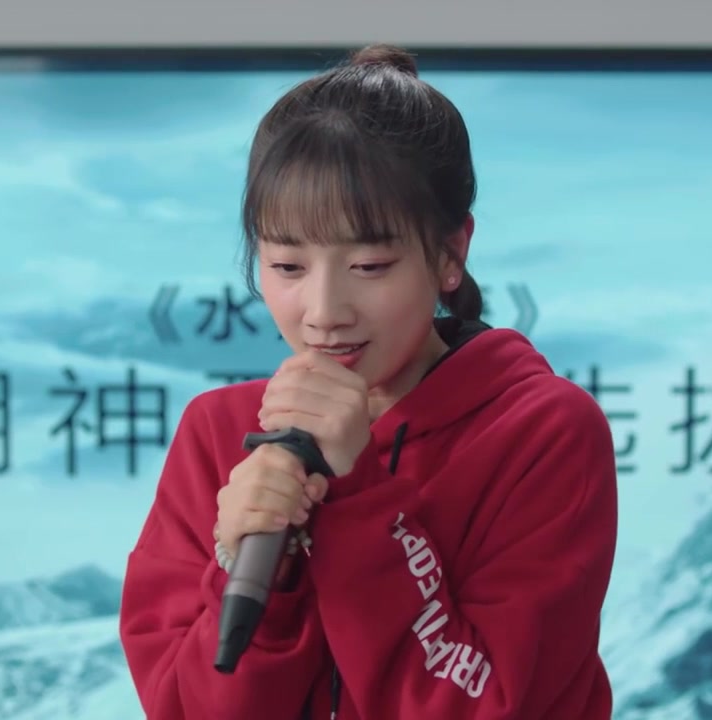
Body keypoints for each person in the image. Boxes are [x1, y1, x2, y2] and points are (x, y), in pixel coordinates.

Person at [119, 43, 618, 719]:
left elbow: (485, 705)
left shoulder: (543, 432)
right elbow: (183, 708)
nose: (324, 312)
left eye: (370, 266)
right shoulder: (218, 433)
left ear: (450, 252)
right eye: (288, 267)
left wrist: (356, 495)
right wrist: (259, 569)